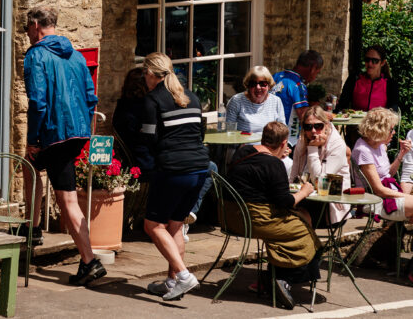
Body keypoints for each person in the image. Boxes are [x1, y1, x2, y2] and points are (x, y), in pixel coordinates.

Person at [20, 5, 105, 286]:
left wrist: (33, 140)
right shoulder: (77, 56)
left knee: (67, 199)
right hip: (77, 132)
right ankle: (33, 229)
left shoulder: (36, 55)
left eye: (27, 28)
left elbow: (37, 101)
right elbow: (91, 97)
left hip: (53, 133)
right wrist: (86, 129)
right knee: (31, 169)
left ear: (36, 25)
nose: (27, 33)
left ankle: (89, 261)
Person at [136, 52, 210, 302]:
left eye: (144, 74)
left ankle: (184, 275)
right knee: (175, 224)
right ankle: (171, 283)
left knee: (153, 225)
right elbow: (200, 132)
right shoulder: (192, 97)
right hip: (200, 168)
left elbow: (148, 139)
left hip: (173, 170)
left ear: (150, 74)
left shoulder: (152, 100)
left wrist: (151, 164)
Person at [227, 122, 321, 310]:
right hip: (256, 220)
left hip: (231, 216)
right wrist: (304, 191)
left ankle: (270, 279)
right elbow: (284, 202)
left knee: (299, 219)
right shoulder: (273, 163)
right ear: (284, 143)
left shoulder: (242, 152)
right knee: (308, 236)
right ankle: (281, 279)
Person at [288, 106, 350, 224]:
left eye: (318, 126)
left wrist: (312, 149)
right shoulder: (301, 143)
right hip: (305, 197)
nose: (313, 131)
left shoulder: (337, 146)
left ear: (326, 125)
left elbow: (320, 182)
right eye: (308, 127)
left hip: (329, 204)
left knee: (296, 216)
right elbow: (293, 177)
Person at [352, 107, 413, 223]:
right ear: (380, 130)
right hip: (374, 200)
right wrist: (407, 197)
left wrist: (401, 155)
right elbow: (378, 189)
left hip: (388, 195)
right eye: (391, 129)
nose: (394, 132)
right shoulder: (363, 150)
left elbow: (388, 174)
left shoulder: (379, 145)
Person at [272, 50, 323, 144]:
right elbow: (304, 116)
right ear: (312, 68)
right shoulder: (298, 85)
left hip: (271, 135)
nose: (315, 77)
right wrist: (324, 115)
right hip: (288, 141)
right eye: (317, 72)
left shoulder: (276, 76)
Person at [226, 66, 286, 137]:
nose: (258, 87)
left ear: (269, 85)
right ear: (248, 85)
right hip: (244, 146)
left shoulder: (276, 101)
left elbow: (282, 131)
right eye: (253, 84)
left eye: (262, 84)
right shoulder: (236, 101)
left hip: (269, 146)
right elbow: (229, 132)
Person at [339, 45, 400, 113]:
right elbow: (342, 105)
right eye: (367, 60)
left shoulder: (390, 84)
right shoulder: (354, 79)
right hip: (356, 122)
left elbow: (393, 111)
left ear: (382, 63)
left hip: (379, 122)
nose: (370, 64)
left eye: (374, 61)